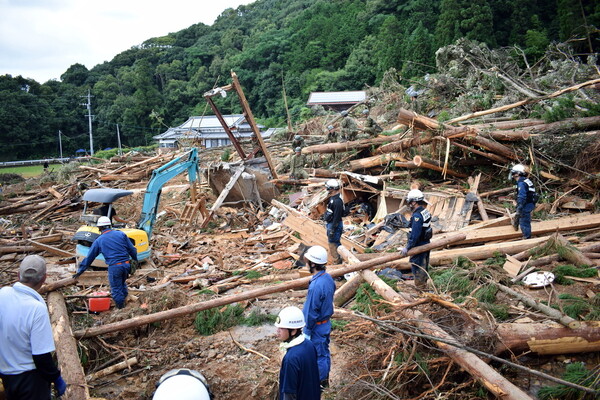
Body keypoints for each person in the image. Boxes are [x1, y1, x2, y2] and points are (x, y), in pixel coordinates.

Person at [0, 255, 67, 399]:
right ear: (44, 279)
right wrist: (56, 378)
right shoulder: (36, 308)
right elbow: (41, 356)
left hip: (6, 375)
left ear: (18, 275)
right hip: (30, 379)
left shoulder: (3, 294)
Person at [73, 216, 138, 308]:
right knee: (122, 284)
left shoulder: (99, 240)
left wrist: (80, 271)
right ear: (109, 225)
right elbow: (132, 249)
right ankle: (126, 304)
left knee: (116, 289)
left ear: (99, 228)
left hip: (115, 267)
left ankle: (121, 310)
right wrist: (135, 260)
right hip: (126, 265)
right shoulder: (121, 234)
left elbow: (90, 258)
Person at [302, 246, 336, 389]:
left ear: (313, 263)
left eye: (307, 261)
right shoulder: (327, 278)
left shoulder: (316, 285)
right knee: (323, 352)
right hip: (324, 323)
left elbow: (311, 311)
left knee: (319, 355)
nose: (306, 263)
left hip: (317, 325)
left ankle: (321, 383)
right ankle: (324, 379)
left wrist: (307, 331)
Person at [275, 306, 321, 400]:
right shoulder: (309, 345)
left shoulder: (291, 359)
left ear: (293, 331)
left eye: (281, 328)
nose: (277, 331)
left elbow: (289, 393)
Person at [400, 189, 433, 289]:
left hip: (418, 245)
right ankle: (423, 286)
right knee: (424, 265)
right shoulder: (424, 211)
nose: (409, 204)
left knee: (418, 266)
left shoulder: (417, 216)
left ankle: (420, 289)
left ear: (414, 202)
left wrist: (408, 247)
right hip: (426, 243)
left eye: (410, 202)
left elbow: (415, 235)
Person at [510, 164, 538, 239]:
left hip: (526, 204)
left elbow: (522, 196)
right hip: (530, 202)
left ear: (517, 173)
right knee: (523, 218)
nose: (512, 176)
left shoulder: (521, 183)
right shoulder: (526, 180)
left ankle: (527, 237)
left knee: (524, 221)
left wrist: (519, 206)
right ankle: (516, 225)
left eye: (513, 173)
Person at [322, 179, 344, 264]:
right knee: (334, 243)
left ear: (332, 188)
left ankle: (337, 262)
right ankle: (338, 260)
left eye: (328, 188)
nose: (327, 190)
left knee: (334, 244)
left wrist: (333, 229)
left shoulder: (337, 201)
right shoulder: (333, 198)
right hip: (331, 224)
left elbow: (337, 217)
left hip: (335, 225)